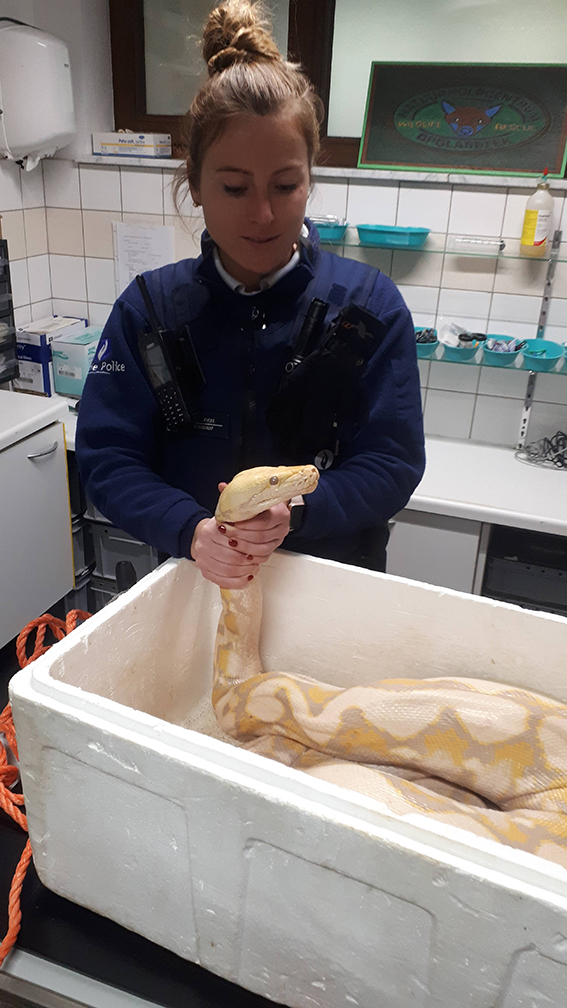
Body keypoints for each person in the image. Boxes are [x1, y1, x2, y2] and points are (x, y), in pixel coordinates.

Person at [75, 0, 425, 590]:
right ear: (195, 182)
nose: (262, 214)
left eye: (285, 186)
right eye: (235, 188)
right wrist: (189, 530)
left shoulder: (370, 308)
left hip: (331, 585)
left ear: (310, 178)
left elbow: (392, 460)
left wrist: (300, 510)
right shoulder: (148, 311)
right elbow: (108, 458)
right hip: (195, 577)